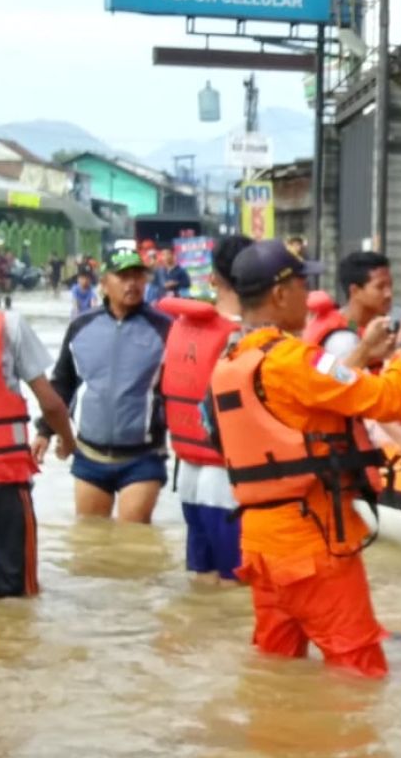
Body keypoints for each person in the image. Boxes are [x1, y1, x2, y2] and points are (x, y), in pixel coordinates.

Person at [208, 240, 401, 676]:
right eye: (303, 283)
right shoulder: (292, 359)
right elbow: (391, 398)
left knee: (276, 669)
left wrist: (362, 354)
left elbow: (315, 398)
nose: (309, 296)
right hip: (312, 541)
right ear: (279, 294)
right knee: (359, 672)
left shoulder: (231, 362)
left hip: (260, 544)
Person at [0, 234, 76, 597]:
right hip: (1, 488)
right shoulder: (7, 325)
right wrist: (68, 442)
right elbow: (52, 403)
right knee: (11, 603)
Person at [34, 251, 171, 523]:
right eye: (123, 276)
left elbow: (179, 390)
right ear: (104, 283)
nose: (131, 283)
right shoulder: (81, 326)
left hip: (143, 457)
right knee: (91, 541)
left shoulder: (165, 329)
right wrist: (45, 431)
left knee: (133, 539)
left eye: (137, 276)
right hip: (89, 455)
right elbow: (63, 383)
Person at [157, 235, 253, 585]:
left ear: (213, 278)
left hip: (189, 477)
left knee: (203, 582)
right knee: (236, 589)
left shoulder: (183, 327)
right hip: (227, 482)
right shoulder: (244, 338)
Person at [304, 251, 401, 473]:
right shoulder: (342, 340)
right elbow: (362, 395)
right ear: (355, 291)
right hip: (334, 455)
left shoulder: (353, 329)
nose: (389, 294)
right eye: (380, 287)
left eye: (390, 285)